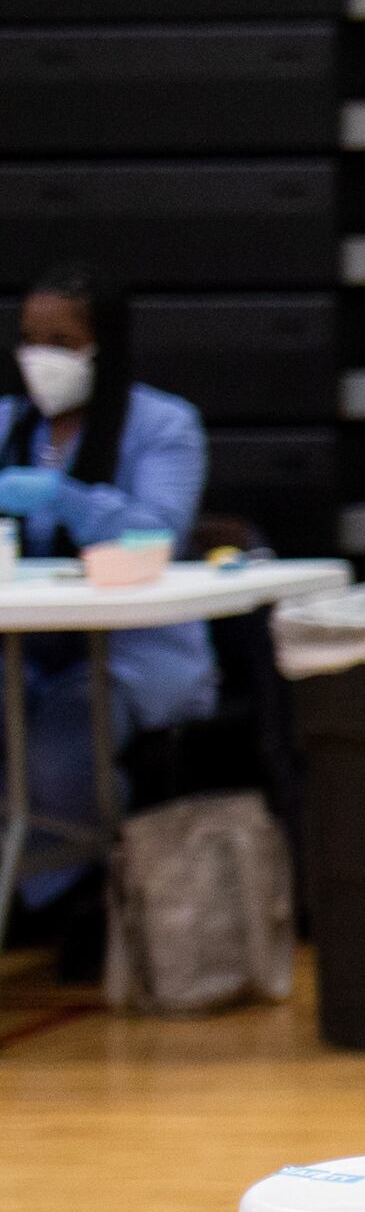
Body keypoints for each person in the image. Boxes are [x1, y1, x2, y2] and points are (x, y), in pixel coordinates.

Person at [2, 261, 213, 952]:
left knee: (61, 752)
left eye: (61, 341)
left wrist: (65, 497)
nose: (42, 359)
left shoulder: (162, 425)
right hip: (22, 649)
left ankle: (71, 898)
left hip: (130, 652)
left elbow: (159, 536)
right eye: (31, 339)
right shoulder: (9, 425)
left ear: (103, 345)